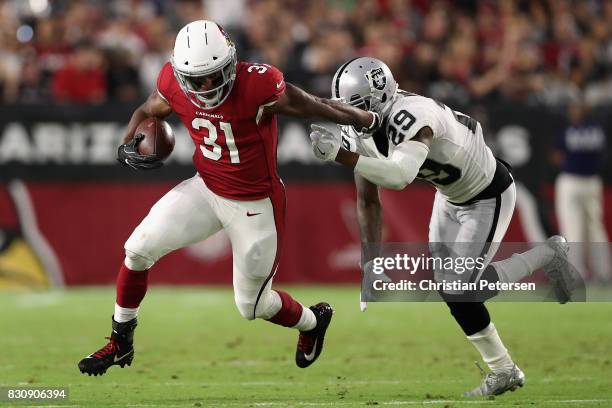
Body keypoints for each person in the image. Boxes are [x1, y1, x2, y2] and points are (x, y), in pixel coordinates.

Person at [78, 20, 379, 376]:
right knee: (137, 250)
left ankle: (313, 322)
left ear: (231, 61)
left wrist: (363, 117)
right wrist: (127, 142)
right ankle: (120, 342)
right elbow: (146, 111)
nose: (206, 85)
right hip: (206, 187)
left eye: (214, 74)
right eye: (197, 78)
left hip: (255, 205)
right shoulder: (172, 82)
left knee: (252, 306)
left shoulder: (257, 83)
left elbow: (309, 103)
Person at [308, 57, 580, 396]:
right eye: (346, 109)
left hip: (486, 194)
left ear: (381, 96)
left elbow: (399, 176)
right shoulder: (361, 128)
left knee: (460, 288)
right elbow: (367, 199)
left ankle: (547, 258)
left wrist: (341, 156)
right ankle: (505, 366)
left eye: (359, 107)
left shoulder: (413, 114)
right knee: (454, 289)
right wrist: (371, 263)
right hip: (449, 197)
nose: (353, 116)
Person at [554, 100, 610, 283]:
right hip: (592, 181)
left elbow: (556, 156)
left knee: (573, 228)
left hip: (571, 181)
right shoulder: (597, 130)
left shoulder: (567, 130)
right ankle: (604, 272)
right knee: (595, 227)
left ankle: (577, 273)